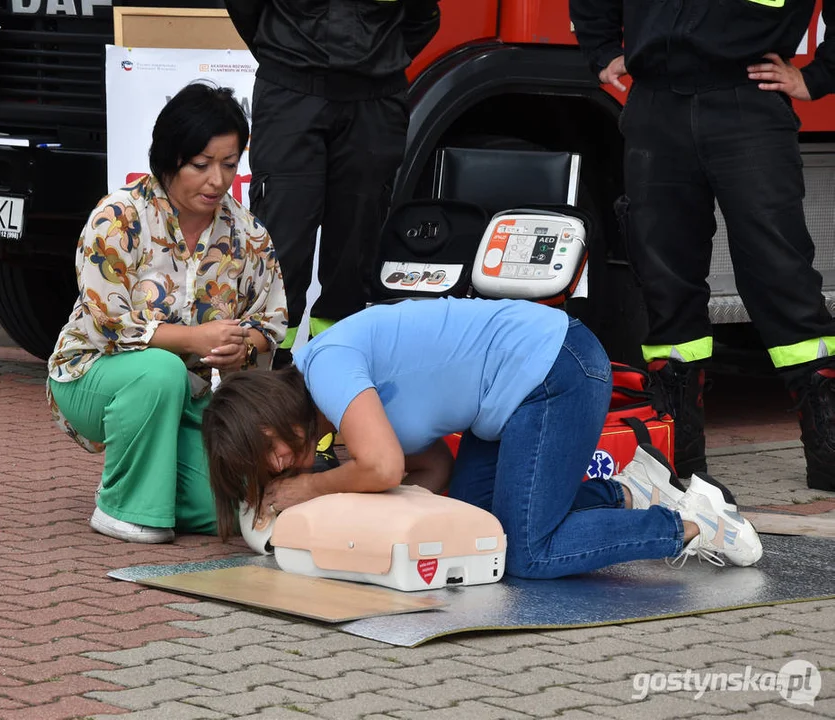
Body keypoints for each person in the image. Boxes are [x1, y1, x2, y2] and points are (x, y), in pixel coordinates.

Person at [202, 298, 763, 579]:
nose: (279, 464)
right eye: (265, 464)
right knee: (479, 532)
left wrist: (311, 491)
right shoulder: (341, 417)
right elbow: (428, 476)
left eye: (270, 444)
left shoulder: (324, 366)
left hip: (554, 368)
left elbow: (384, 469)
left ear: (274, 410)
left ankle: (694, 524)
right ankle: (627, 492)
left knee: (523, 551)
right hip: (511, 400)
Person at [570, 0, 835, 490]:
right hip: (655, 107)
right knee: (664, 283)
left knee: (782, 279)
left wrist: (818, 77)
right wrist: (602, 49)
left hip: (748, 101)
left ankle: (829, 451)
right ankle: (677, 457)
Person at [46, 82, 288, 544]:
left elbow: (270, 323)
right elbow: (108, 324)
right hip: (89, 376)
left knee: (225, 506)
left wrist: (242, 347)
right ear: (169, 158)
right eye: (201, 165)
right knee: (160, 372)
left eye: (230, 164)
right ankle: (121, 509)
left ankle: (150, 485)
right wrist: (193, 340)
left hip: (188, 398)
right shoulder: (118, 217)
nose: (217, 180)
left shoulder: (248, 234)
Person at [224, 0, 442, 368]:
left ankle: (335, 369)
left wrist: (374, 61)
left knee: (355, 253)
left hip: (375, 99)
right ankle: (269, 376)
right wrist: (287, 54)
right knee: (281, 246)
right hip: (291, 90)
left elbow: (423, 16)